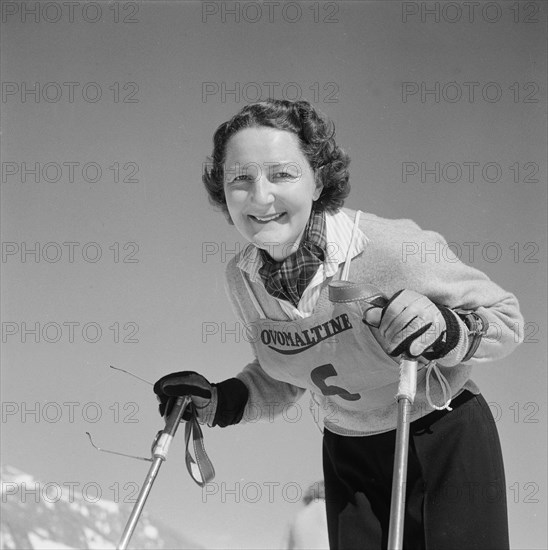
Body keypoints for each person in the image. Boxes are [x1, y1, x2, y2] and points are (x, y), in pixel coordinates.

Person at [153, 99, 523, 550]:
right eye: (241, 179)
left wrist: (445, 328)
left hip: (439, 435)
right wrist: (220, 400)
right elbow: (287, 371)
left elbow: (505, 320)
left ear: (318, 181)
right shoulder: (244, 278)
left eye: (282, 174)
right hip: (349, 452)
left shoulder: (389, 248)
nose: (261, 196)